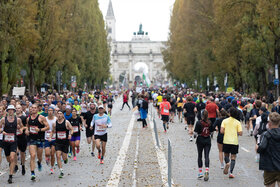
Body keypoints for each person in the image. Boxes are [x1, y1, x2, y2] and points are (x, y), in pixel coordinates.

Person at [26, 104, 50, 181]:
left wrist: (39, 130)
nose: (33, 109)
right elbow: (27, 126)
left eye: (35, 108)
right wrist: (26, 130)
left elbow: (48, 127)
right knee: (32, 155)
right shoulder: (28, 118)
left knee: (39, 157)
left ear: (37, 109)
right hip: (31, 139)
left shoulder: (41, 118)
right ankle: (32, 173)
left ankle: (39, 162)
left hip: (40, 139)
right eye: (32, 108)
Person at [0, 105, 22, 184]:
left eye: (12, 110)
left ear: (14, 111)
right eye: (9, 110)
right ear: (7, 111)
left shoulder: (18, 119)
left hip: (13, 141)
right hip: (5, 142)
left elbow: (22, 128)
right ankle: (12, 166)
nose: (11, 111)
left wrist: (20, 129)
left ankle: (10, 176)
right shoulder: (3, 119)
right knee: (8, 159)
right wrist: (2, 131)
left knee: (12, 158)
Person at [257, 112, 280, 187]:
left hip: (269, 166)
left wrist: (257, 148)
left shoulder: (266, 134)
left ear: (269, 123)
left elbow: (261, 148)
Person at [220, 107, 243, 178]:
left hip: (226, 140)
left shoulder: (225, 121)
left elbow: (221, 131)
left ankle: (227, 163)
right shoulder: (237, 122)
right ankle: (231, 172)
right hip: (234, 141)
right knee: (233, 157)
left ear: (229, 113)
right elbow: (240, 133)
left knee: (226, 155)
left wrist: (226, 132)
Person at [50, 110, 73, 178]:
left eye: (60, 114)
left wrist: (70, 135)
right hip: (58, 142)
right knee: (58, 155)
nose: (59, 115)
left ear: (63, 115)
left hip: (65, 142)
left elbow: (72, 129)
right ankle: (61, 170)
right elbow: (52, 131)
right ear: (57, 115)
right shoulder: (54, 123)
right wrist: (50, 137)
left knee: (64, 157)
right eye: (58, 114)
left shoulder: (66, 122)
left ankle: (65, 159)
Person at [194, 110, 213, 181]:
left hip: (200, 140)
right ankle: (207, 171)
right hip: (207, 140)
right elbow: (211, 132)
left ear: (201, 115)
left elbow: (195, 133)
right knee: (207, 156)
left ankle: (200, 172)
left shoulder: (198, 122)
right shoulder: (210, 122)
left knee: (200, 155)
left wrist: (195, 136)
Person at [15, 104, 28, 175]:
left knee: (22, 153)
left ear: (21, 109)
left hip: (22, 137)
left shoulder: (24, 117)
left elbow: (27, 126)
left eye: (18, 108)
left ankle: (23, 165)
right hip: (14, 137)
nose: (17, 109)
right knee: (15, 152)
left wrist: (23, 129)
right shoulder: (12, 117)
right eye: (16, 108)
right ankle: (16, 165)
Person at [45, 107, 57, 174]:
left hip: (54, 138)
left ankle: (52, 167)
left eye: (51, 110)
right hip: (46, 138)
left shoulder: (56, 119)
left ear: (53, 112)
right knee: (47, 153)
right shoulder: (45, 119)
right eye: (49, 110)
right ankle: (47, 158)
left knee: (52, 154)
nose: (50, 112)